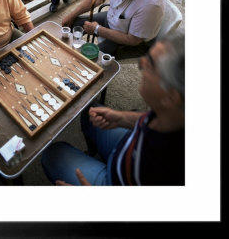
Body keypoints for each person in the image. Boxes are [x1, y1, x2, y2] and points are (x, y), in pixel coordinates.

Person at [41, 30, 185, 186]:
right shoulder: (173, 115)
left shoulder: (167, 169)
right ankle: (95, 155)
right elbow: (154, 116)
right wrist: (121, 118)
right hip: (131, 146)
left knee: (52, 155)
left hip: (116, 181)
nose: (140, 63)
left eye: (150, 64)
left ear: (170, 97)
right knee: (91, 112)